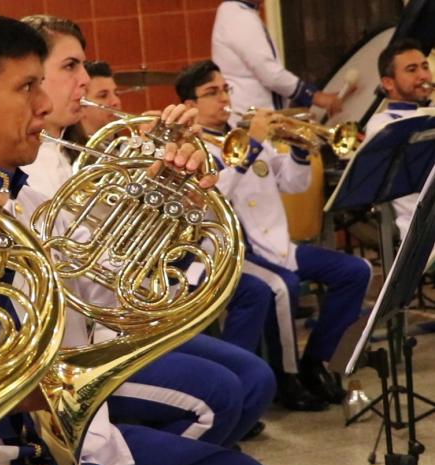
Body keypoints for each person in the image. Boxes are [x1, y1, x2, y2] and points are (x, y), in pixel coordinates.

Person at [0, 14, 273, 465]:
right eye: (26, 87)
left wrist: (170, 206)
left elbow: (102, 303)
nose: (44, 103)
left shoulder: (29, 200)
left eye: (42, 82)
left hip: (65, 445)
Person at [20, 14, 275, 445]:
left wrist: (170, 191)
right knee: (226, 393)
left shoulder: (65, 156)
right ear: (30, 78)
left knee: (254, 376)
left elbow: (109, 244)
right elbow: (93, 278)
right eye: (70, 66)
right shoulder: (32, 169)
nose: (83, 78)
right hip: (84, 345)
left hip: (112, 324)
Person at [176, 60, 372, 410]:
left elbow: (293, 183)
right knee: (282, 286)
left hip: (280, 245)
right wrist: (251, 146)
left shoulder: (249, 137)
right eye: (211, 93)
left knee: (357, 271)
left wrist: (300, 147)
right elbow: (216, 195)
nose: (223, 98)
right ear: (190, 105)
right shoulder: (195, 148)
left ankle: (317, 361)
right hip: (237, 251)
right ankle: (287, 377)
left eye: (225, 89)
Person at [211, 0, 346, 120]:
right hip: (252, 119)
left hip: (252, 116)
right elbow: (270, 74)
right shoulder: (239, 17)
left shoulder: (236, 12)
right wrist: (316, 97)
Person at [366, 38, 434, 240]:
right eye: (412, 69)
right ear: (388, 83)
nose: (423, 75)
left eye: (424, 67)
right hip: (423, 232)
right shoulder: (383, 124)